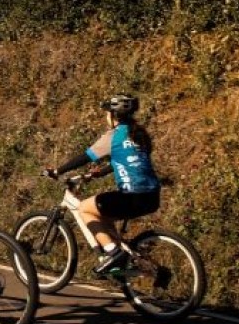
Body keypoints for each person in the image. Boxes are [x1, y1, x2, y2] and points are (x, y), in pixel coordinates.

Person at [44, 93, 161, 275]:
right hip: (152, 196)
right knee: (104, 216)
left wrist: (58, 171)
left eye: (108, 113)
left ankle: (113, 253)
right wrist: (95, 174)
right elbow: (127, 160)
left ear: (113, 115)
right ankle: (125, 258)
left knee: (84, 209)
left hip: (131, 197)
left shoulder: (114, 136)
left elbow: (85, 157)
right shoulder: (140, 134)